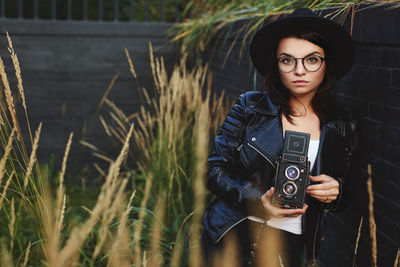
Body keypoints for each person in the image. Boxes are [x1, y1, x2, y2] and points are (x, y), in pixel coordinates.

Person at [201, 8, 359, 267]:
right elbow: (213, 169)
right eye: (288, 60)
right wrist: (257, 200)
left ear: (326, 63)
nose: (299, 70)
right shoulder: (250, 108)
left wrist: (337, 191)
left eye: (311, 59)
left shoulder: (343, 122)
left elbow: (350, 188)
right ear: (276, 64)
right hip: (236, 232)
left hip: (292, 244)